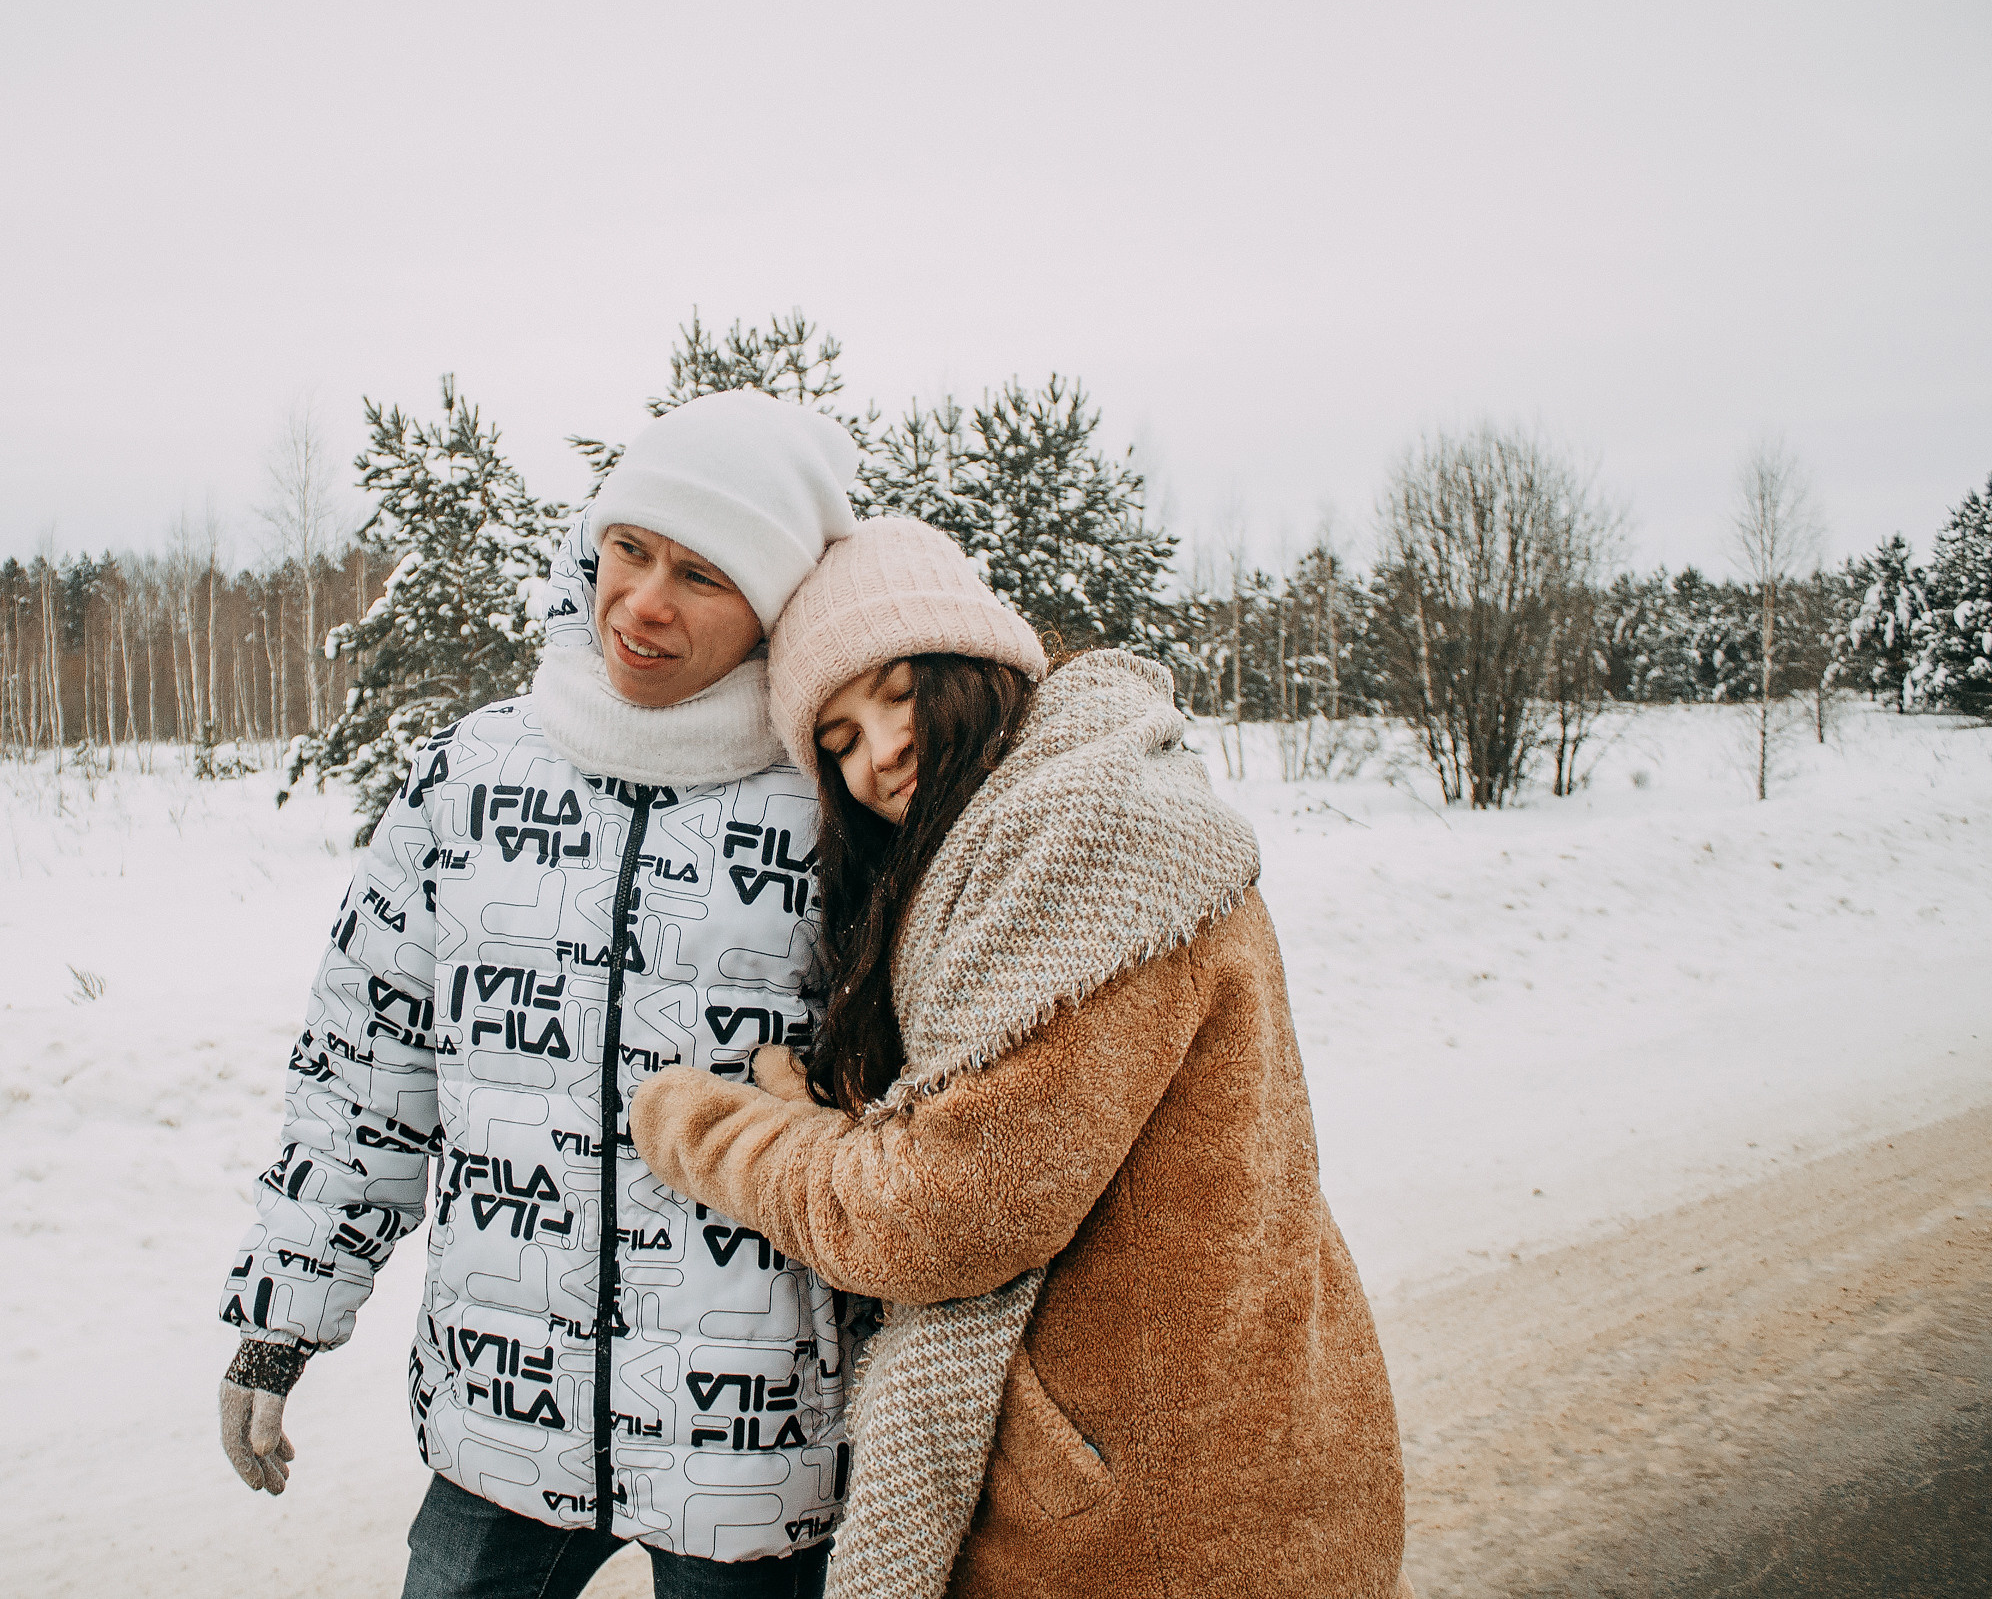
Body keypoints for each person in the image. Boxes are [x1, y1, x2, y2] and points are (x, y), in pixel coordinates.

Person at [628, 518, 1409, 1599]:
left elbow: (941, 1216)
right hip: (1187, 1463)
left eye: (895, 691)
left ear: (977, 663)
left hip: (1161, 1528)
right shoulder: (1020, 841)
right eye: (838, 741)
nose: (877, 756)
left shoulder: (1089, 845)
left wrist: (716, 1132)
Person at [216, 390, 863, 1599]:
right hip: (501, 1416)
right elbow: (368, 1065)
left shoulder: (837, 802)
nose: (646, 603)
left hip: (756, 1443)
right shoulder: (475, 770)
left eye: (704, 576)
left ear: (777, 607)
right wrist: (280, 1317)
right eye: (632, 549)